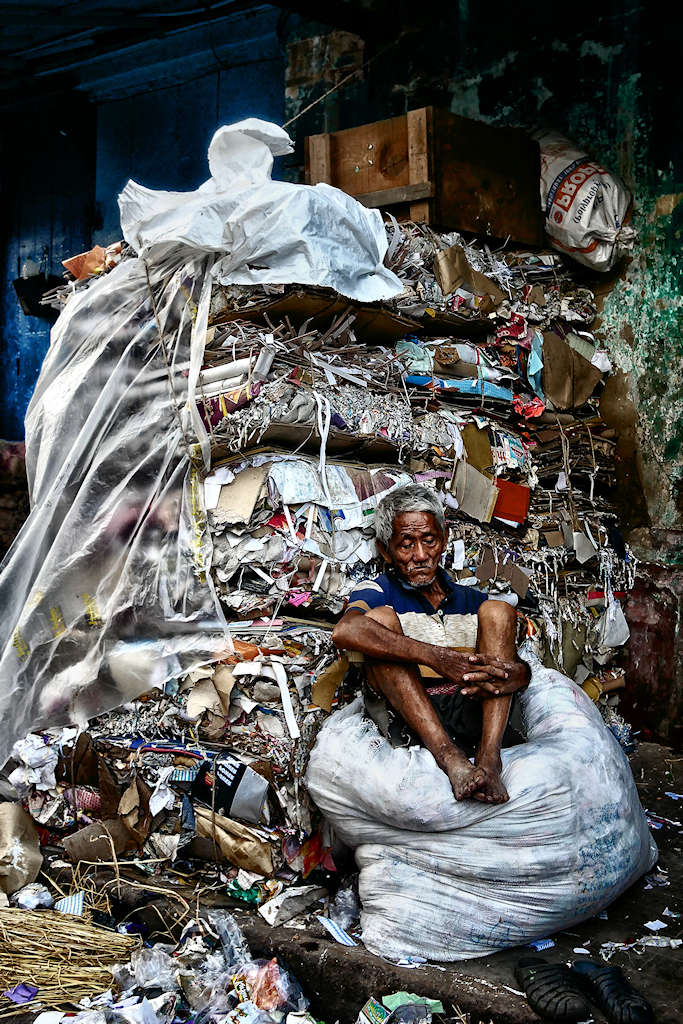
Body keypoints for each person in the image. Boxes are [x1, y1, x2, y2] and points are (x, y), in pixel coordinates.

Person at [332, 484, 530, 804]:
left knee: (499, 611)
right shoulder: (377, 590)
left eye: (429, 540)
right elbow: (347, 629)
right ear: (385, 550)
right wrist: (436, 658)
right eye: (406, 545)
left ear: (444, 540)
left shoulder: (469, 599)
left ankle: (489, 759)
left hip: (471, 711)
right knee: (378, 622)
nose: (421, 556)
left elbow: (510, 658)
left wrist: (520, 674)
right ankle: (450, 759)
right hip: (412, 719)